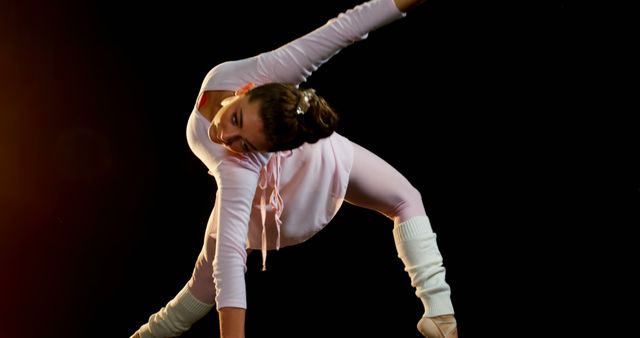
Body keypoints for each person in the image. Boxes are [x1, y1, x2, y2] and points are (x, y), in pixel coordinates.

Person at [130, 0, 457, 337]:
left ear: (266, 151)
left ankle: (441, 316)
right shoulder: (252, 74)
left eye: (245, 143)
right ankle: (149, 335)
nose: (225, 135)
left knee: (404, 199)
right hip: (294, 172)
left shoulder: (237, 166)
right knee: (204, 282)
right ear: (245, 91)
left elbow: (229, 262)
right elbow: (343, 29)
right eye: (236, 118)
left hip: (305, 173)